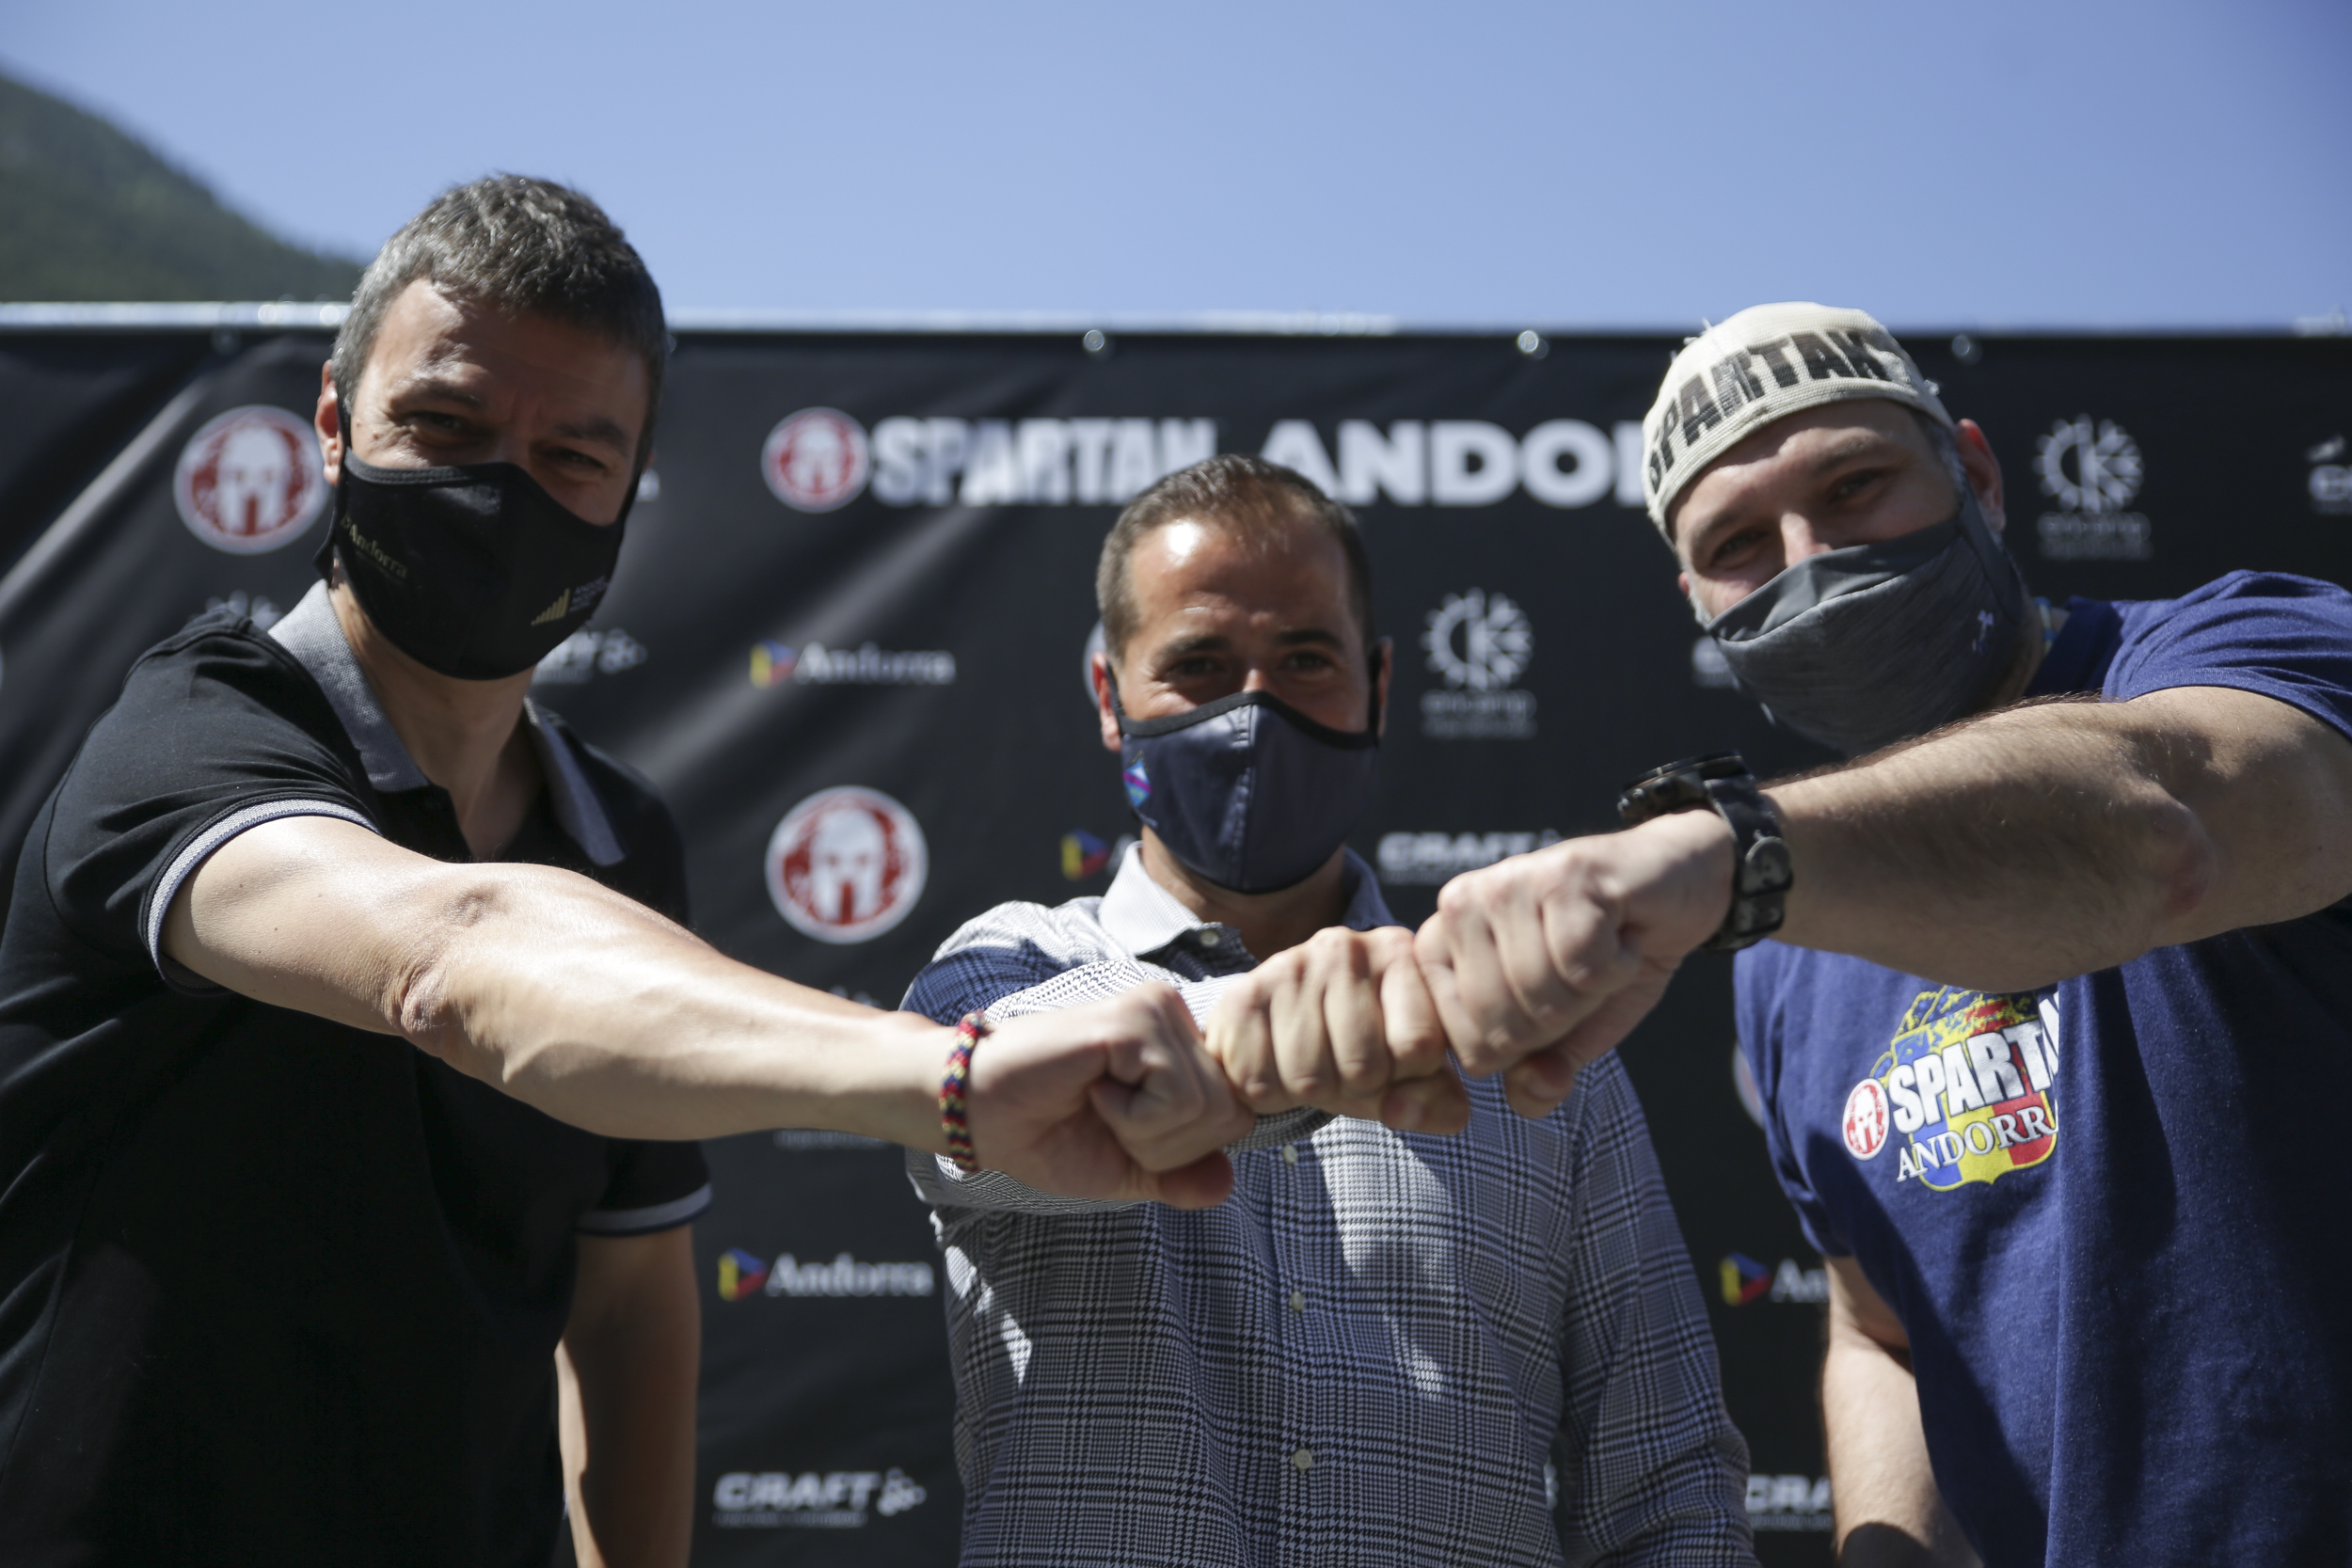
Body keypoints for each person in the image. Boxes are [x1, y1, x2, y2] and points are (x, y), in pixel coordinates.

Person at [0, 177, 1251, 1568]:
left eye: (572, 456)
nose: (499, 493)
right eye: (445, 424)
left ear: (629, 490)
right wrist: (946, 1079)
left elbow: (629, 1295)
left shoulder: (616, 837)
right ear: (336, 425)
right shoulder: (192, 737)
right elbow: (449, 955)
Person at [1406, 303, 2352, 1565]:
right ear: (1697, 601)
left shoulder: (2258, 651)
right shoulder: (1784, 944)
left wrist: (1734, 852)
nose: (1811, 560)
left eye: (1853, 485)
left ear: (1977, 474)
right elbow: (1880, 1327)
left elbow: (2165, 828)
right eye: (1739, 543)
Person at [900, 455, 1755, 1567]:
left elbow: (1667, 1482)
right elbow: (977, 1109)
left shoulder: (1544, 1045)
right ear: (1110, 697)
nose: (1254, 709)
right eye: (1199, 665)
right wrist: (1294, 1031)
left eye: (1304, 658)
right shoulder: (998, 972)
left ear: (1379, 685)